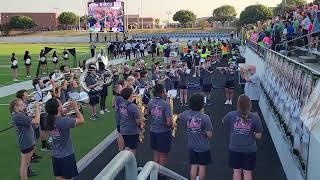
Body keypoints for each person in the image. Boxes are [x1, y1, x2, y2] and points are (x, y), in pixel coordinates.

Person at [222, 94, 263, 180]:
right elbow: (259, 136)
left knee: (236, 171)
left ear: (238, 104)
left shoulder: (231, 115)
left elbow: (223, 121)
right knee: (247, 172)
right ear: (249, 105)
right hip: (249, 149)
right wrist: (253, 132)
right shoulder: (255, 118)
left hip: (235, 148)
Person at [45, 98, 84, 180]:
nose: (62, 104)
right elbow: (81, 120)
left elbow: (63, 118)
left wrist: (66, 110)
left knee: (59, 176)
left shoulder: (49, 119)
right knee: (67, 178)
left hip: (55, 154)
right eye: (60, 104)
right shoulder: (62, 121)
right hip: (66, 155)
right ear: (57, 108)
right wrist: (76, 108)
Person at [178, 93, 213, 180]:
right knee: (202, 167)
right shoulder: (205, 117)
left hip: (191, 146)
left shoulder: (186, 114)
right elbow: (209, 135)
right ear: (202, 105)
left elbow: (178, 117)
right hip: (203, 147)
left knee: (193, 166)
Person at [10, 98, 40, 179]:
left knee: (26, 163)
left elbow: (29, 120)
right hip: (25, 142)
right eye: (22, 105)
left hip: (26, 140)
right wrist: (37, 109)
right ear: (16, 107)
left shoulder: (19, 114)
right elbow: (37, 121)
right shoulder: (19, 115)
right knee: (25, 164)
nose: (24, 106)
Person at [148, 84, 173, 168]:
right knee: (163, 156)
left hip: (153, 130)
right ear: (162, 92)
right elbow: (169, 122)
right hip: (163, 132)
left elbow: (149, 115)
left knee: (156, 154)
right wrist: (172, 125)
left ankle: (155, 173)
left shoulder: (150, 101)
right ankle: (161, 175)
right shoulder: (166, 104)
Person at [119, 87, 141, 155]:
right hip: (131, 131)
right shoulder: (133, 107)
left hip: (123, 129)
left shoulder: (121, 103)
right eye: (132, 94)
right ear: (130, 95)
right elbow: (138, 121)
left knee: (127, 147)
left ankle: (126, 163)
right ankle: (130, 165)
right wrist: (141, 127)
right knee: (131, 150)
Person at [113, 84, 125, 151]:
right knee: (120, 133)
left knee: (119, 133)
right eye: (121, 88)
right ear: (118, 90)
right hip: (120, 117)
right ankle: (121, 149)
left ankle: (120, 148)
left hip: (118, 116)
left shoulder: (117, 97)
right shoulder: (120, 98)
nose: (122, 89)